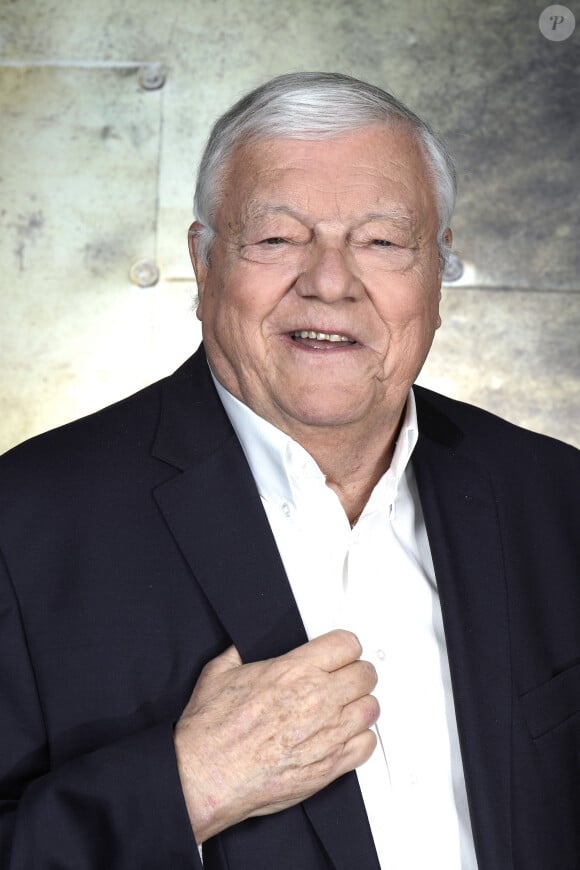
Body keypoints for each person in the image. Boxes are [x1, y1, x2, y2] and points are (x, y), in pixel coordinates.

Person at [0, 72, 578, 870]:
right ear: (204, 265)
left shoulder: (559, 502)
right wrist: (182, 788)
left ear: (439, 274)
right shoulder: (23, 526)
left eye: (381, 242)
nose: (331, 281)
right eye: (276, 239)